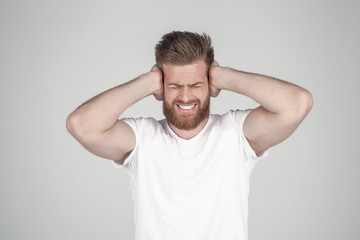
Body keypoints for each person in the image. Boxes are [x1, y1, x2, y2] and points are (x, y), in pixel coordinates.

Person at [66, 31, 313, 240]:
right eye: (174, 86)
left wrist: (222, 76)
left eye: (196, 85)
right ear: (161, 88)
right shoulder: (142, 138)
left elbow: (297, 104)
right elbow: (82, 125)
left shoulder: (236, 133)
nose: (185, 97)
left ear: (209, 85)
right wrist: (147, 82)